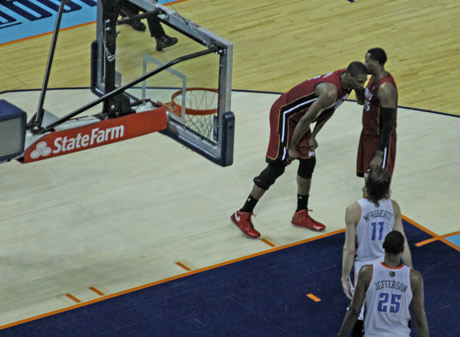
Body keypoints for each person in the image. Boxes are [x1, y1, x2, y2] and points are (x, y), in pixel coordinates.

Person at [230, 62, 368, 239]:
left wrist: (313, 136)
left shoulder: (346, 82)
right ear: (349, 77)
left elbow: (329, 111)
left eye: (363, 82)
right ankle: (243, 213)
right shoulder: (330, 92)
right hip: (285, 114)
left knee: (309, 161)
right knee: (278, 166)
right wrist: (291, 148)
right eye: (359, 82)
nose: (361, 85)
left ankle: (300, 214)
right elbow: (305, 120)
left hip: (300, 118)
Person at [341, 165, 413, 336]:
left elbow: (349, 249)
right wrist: (409, 270)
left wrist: (345, 277)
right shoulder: (393, 206)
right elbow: (403, 243)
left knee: (359, 316)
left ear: (367, 184)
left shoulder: (354, 210)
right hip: (388, 265)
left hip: (364, 270)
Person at [338, 230, 429, 337]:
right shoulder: (414, 278)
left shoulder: (367, 272)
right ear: (402, 249)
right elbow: (419, 319)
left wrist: (341, 334)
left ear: (383, 247)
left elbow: (354, 310)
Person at [355, 48, 398, 177]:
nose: (364, 63)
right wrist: (358, 87)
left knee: (378, 182)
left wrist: (380, 153)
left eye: (367, 61)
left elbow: (389, 123)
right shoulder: (372, 79)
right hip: (368, 134)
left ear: (376, 63)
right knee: (368, 179)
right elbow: (362, 101)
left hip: (380, 140)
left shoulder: (385, 88)